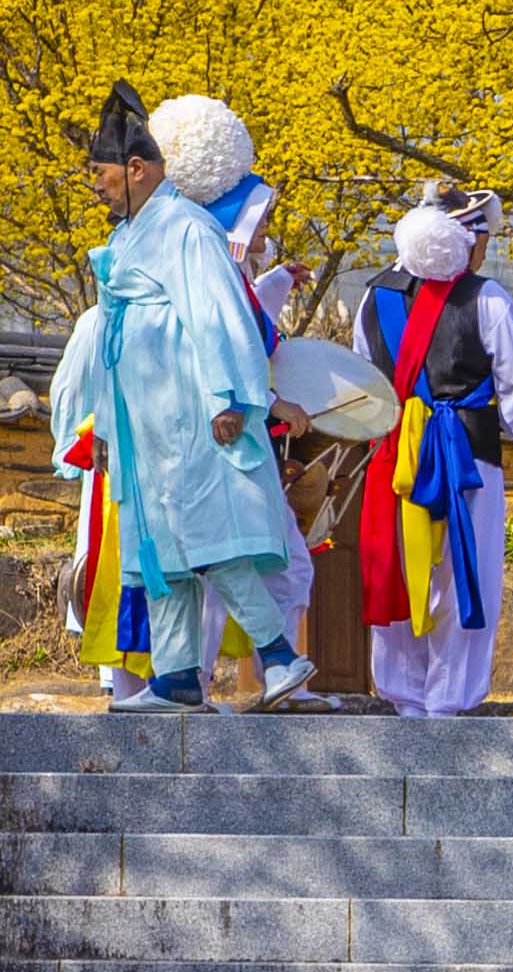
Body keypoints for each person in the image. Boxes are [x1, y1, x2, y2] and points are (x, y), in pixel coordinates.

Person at [49, 83, 314, 711]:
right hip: (144, 423)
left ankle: (279, 655)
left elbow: (219, 317)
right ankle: (174, 677)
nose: (96, 184)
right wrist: (109, 430)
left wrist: (233, 399)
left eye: (102, 173)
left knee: (209, 545)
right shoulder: (131, 237)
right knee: (158, 553)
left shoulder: (187, 229)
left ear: (137, 169)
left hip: (193, 416)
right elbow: (115, 342)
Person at [351, 180, 513, 718]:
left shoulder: (374, 294)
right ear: (465, 238)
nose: (484, 249)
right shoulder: (486, 297)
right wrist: (507, 421)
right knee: (464, 571)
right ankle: (449, 699)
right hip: (466, 449)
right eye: (482, 237)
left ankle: (404, 694)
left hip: (395, 449)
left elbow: (363, 370)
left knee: (399, 564)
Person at [152, 95, 319, 679]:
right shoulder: (198, 256)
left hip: (209, 429)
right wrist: (264, 402)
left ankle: (249, 671)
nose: (268, 228)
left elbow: (236, 325)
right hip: (212, 432)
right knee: (225, 561)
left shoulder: (194, 256)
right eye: (263, 218)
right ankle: (265, 668)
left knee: (224, 562)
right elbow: (217, 340)